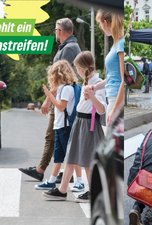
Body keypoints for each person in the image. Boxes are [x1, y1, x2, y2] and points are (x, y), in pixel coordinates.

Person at [19, 18, 81, 183]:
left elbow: (61, 78)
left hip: (62, 99)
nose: (55, 33)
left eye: (55, 30)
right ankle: (60, 171)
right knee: (58, 137)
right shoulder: (69, 47)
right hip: (62, 97)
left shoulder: (69, 49)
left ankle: (44, 171)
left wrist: (47, 100)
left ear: (60, 31)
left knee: (54, 136)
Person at [43, 51, 106, 202]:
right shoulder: (87, 81)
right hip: (79, 122)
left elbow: (102, 109)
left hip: (88, 124)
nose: (76, 71)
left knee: (86, 159)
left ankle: (93, 192)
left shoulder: (97, 83)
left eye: (77, 67)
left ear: (84, 68)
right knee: (72, 156)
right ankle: (63, 190)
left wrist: (91, 95)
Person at [35, 60, 83, 192]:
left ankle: (80, 181)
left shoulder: (67, 88)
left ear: (58, 75)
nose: (51, 79)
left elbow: (62, 107)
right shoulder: (63, 88)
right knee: (58, 156)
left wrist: (50, 96)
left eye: (52, 75)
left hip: (66, 127)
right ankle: (51, 181)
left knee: (71, 155)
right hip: (59, 126)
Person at [86, 10, 124, 126]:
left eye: (100, 24)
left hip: (116, 99)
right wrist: (96, 87)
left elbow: (124, 80)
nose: (101, 28)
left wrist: (115, 109)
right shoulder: (116, 44)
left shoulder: (121, 44)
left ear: (106, 22)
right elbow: (113, 77)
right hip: (113, 97)